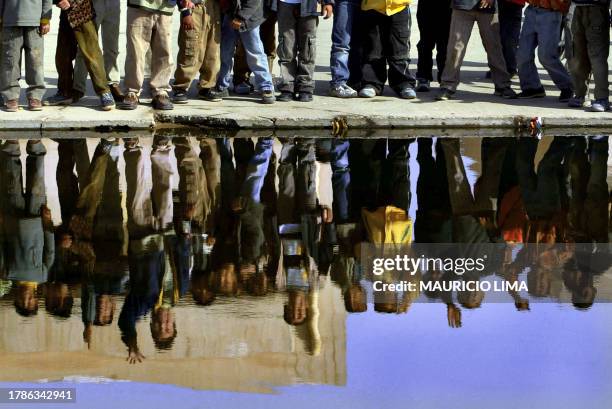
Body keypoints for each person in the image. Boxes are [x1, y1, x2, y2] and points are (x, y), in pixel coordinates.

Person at [0, 140, 54, 316]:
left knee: (11, 180)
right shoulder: (42, 276)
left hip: (11, 220)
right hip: (37, 221)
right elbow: (49, 250)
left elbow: (1, 248)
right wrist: (48, 224)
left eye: (22, 302)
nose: (25, 299)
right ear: (36, 299)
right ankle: (35, 145)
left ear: (15, 299)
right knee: (37, 180)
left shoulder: (7, 274)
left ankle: (11, 145)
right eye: (30, 302)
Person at [436, 0, 517, 100]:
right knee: (455, 48)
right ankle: (447, 85)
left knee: (494, 48)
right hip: (462, 6)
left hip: (488, 6)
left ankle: (502, 85)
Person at [44, 0, 115, 110]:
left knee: (92, 55)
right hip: (66, 15)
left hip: (84, 13)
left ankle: (104, 92)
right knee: (62, 56)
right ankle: (65, 92)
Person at [209, 0, 276, 104]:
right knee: (225, 53)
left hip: (250, 17)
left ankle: (266, 87)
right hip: (230, 14)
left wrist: (240, 17)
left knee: (255, 53)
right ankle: (222, 86)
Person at [119, 0, 177, 111]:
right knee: (135, 51)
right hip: (139, 5)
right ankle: (132, 91)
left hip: (165, 7)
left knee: (164, 51)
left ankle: (160, 91)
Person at [272, 0, 334, 102]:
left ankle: (305, 87)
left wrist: (328, 2)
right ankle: (287, 86)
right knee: (286, 46)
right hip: (284, 3)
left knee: (308, 47)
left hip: (310, 4)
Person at [516, 0, 573, 102]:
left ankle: (568, 86)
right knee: (523, 54)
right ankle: (532, 87)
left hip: (551, 12)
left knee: (546, 56)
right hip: (532, 10)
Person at [359, 0, 417, 99]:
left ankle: (403, 83)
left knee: (400, 48)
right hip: (372, 6)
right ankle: (372, 83)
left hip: (399, 6)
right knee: (372, 47)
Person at [0, 0, 51, 112]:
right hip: (10, 21)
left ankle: (35, 96)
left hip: (35, 22)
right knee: (10, 62)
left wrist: (45, 18)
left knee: (35, 62)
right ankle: (11, 96)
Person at [72, 0, 124, 102]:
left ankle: (112, 82)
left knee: (112, 46)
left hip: (113, 3)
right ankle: (78, 87)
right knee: (86, 45)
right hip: (89, 3)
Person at [172, 0, 222, 103]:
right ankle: (181, 87)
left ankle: (206, 87)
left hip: (213, 8)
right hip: (194, 9)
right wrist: (185, 12)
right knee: (190, 49)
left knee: (212, 52)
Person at [568, 0, 610, 112]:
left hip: (597, 9)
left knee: (597, 57)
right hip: (577, 7)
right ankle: (580, 94)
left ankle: (602, 98)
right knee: (577, 55)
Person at [415, 0, 452, 92]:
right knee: (425, 42)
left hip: (448, 6)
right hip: (426, 6)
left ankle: (444, 79)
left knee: (445, 44)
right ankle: (423, 77)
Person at [329, 0, 362, 97]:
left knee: (361, 44)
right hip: (344, 2)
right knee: (342, 44)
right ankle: (338, 83)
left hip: (367, 3)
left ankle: (357, 82)